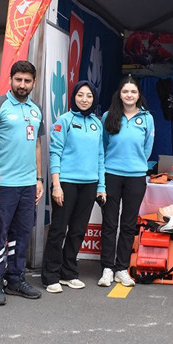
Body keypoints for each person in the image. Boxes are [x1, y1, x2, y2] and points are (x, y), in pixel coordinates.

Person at [0, 60, 44, 305]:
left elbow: (38, 146)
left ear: (33, 83)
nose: (22, 84)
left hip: (28, 184)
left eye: (27, 80)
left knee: (22, 233)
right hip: (3, 184)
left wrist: (39, 179)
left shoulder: (36, 109)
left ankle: (16, 278)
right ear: (10, 79)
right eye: (18, 79)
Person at [41, 80, 106, 293]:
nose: (84, 99)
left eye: (88, 96)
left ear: (94, 98)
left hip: (89, 185)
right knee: (59, 229)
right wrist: (56, 185)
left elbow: (100, 157)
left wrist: (101, 186)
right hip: (66, 183)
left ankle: (68, 273)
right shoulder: (64, 121)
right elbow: (55, 153)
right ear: (74, 97)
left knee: (78, 231)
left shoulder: (97, 123)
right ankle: (50, 275)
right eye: (80, 95)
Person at [98, 75, 154, 288]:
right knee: (110, 223)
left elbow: (148, 147)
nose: (129, 95)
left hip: (136, 176)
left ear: (138, 95)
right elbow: (102, 147)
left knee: (129, 224)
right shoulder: (108, 116)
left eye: (133, 91)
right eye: (125, 91)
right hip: (111, 174)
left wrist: (137, 164)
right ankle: (107, 268)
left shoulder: (147, 118)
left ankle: (121, 268)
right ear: (119, 94)